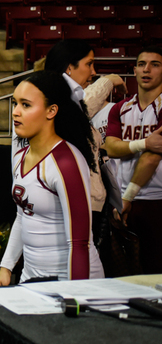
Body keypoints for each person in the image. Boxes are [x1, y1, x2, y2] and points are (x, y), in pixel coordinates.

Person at [0, 71, 105, 284]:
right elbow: (22, 216)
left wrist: (75, 298)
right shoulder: (20, 155)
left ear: (51, 111)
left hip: (68, 279)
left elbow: (80, 243)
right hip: (31, 276)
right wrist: (6, 267)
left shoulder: (67, 162)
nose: (15, 113)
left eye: (26, 105)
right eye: (15, 103)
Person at [43, 40, 126, 229]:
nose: (93, 71)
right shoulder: (54, 100)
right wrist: (109, 80)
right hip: (76, 204)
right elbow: (79, 112)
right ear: (70, 67)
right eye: (89, 64)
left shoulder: (70, 100)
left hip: (85, 202)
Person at [104, 46, 162, 274]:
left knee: (155, 269)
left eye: (155, 64)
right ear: (135, 71)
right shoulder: (120, 108)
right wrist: (144, 143)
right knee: (122, 271)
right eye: (141, 64)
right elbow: (111, 147)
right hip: (122, 200)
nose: (146, 69)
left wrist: (127, 198)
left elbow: (152, 158)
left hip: (155, 199)